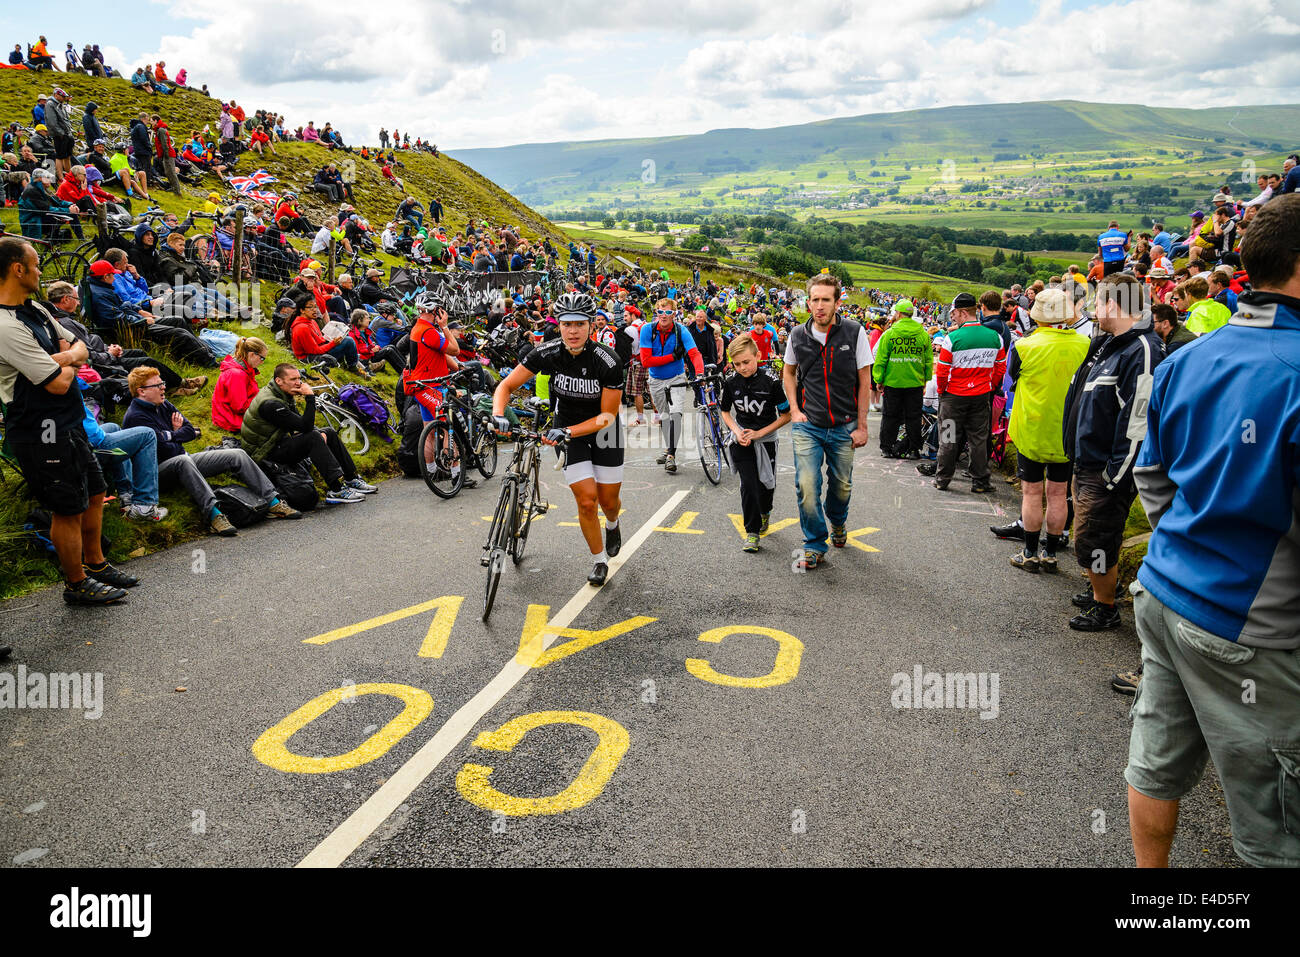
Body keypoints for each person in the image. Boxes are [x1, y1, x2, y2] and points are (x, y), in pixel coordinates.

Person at [1124, 195, 1300, 867]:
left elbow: (1151, 471)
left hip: (1165, 592)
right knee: (1277, 824)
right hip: (1251, 626)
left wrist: (1186, 541)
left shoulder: (1182, 360)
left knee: (1156, 762)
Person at [0, 237, 134, 606]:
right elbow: (58, 383)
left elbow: (80, 346)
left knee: (93, 491)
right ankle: (76, 583)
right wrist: (65, 360)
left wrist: (62, 357)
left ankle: (96, 564)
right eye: (37, 264)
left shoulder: (37, 310)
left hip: (71, 419)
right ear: (18, 268)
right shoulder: (5, 325)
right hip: (40, 429)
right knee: (67, 505)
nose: (41, 270)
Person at [491, 291, 625, 586]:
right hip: (568, 431)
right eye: (566, 324)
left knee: (608, 501)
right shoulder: (547, 352)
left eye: (579, 324)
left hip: (604, 433)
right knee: (587, 501)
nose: (573, 331)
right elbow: (506, 385)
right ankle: (599, 560)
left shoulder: (608, 360)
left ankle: (613, 525)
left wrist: (567, 431)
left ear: (591, 326)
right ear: (559, 325)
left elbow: (607, 417)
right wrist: (498, 413)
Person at [1061, 273, 1162, 632]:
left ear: (1114, 304)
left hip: (1105, 469)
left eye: (1099, 300)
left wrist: (1114, 475)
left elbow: (1137, 419)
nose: (1093, 309)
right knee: (1091, 538)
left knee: (1094, 539)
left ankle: (1106, 608)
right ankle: (1100, 589)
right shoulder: (1109, 343)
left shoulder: (1142, 350)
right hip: (1086, 459)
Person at [122, 366, 301, 535]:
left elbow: (190, 431)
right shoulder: (136, 416)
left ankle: (273, 502)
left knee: (237, 454)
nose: (163, 388)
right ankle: (214, 515)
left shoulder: (164, 404)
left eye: (163, 384)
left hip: (184, 459)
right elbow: (165, 451)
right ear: (141, 391)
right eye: (158, 385)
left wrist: (172, 435)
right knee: (182, 460)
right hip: (159, 472)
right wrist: (176, 435)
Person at [781, 273, 872, 570]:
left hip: (844, 425)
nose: (820, 306)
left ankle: (838, 521)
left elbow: (864, 380)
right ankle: (815, 543)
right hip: (808, 425)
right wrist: (794, 409)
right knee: (807, 484)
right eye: (815, 299)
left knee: (842, 486)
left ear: (836, 302)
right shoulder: (797, 335)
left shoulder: (855, 332)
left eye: (826, 300)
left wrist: (862, 426)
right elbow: (788, 373)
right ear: (808, 302)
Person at [1005, 288, 1089, 572]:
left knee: (1031, 493)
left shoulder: (1023, 346)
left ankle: (1029, 553)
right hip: (1066, 431)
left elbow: (1013, 376)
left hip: (1032, 427)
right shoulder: (1085, 344)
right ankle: (1051, 554)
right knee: (1058, 493)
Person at [241, 362, 376, 504]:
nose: (298, 383)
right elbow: (304, 427)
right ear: (279, 381)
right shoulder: (271, 404)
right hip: (264, 453)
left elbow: (300, 423)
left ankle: (351, 478)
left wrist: (319, 433)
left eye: (299, 378)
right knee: (312, 438)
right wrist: (310, 397)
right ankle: (336, 490)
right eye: (293, 379)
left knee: (328, 432)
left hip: (276, 441)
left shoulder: (281, 392)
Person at [918, 292, 1006, 493]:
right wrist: (989, 386)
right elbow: (1000, 367)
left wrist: (942, 392)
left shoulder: (952, 338)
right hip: (981, 395)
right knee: (978, 439)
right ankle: (980, 482)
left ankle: (943, 479)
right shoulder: (995, 337)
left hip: (953, 398)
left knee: (948, 437)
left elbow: (942, 372)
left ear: (963, 313)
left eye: (955, 313)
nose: (953, 317)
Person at [719, 333, 791, 553]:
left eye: (747, 362)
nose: (742, 367)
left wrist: (760, 433)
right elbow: (725, 411)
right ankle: (751, 532)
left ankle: (765, 511)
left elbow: (786, 415)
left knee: (765, 487)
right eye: (737, 364)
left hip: (766, 439)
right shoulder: (731, 382)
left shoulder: (772, 382)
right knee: (748, 485)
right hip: (741, 440)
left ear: (758, 356)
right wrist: (736, 431)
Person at [640, 299, 705, 474]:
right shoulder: (647, 329)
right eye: (660, 312)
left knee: (675, 414)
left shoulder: (681, 331)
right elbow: (646, 361)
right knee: (664, 417)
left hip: (676, 378)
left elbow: (694, 353)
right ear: (656, 312)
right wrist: (672, 357)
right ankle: (669, 447)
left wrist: (699, 373)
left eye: (668, 312)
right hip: (655, 379)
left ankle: (671, 456)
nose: (663, 316)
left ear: (674, 314)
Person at [872, 298, 932, 459]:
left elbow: (881, 359)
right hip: (915, 382)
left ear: (898, 313)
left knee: (890, 415)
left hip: (893, 382)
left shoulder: (889, 334)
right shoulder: (923, 334)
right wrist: (926, 380)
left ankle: (887, 447)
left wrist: (879, 379)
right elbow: (928, 360)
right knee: (914, 417)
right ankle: (913, 449)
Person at [212, 336, 268, 432]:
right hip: (229, 418)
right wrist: (261, 400)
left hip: (233, 413)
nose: (262, 362)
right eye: (262, 358)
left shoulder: (243, 367)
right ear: (251, 355)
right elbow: (239, 407)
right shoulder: (237, 374)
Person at [290, 298, 361, 373]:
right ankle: (353, 368)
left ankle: (350, 364)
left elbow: (320, 340)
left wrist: (332, 339)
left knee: (345, 339)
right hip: (310, 358)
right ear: (302, 310)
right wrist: (333, 343)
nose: (315, 310)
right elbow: (314, 351)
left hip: (319, 351)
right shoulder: (302, 328)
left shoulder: (312, 321)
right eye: (311, 307)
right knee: (349, 341)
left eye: (315, 307)